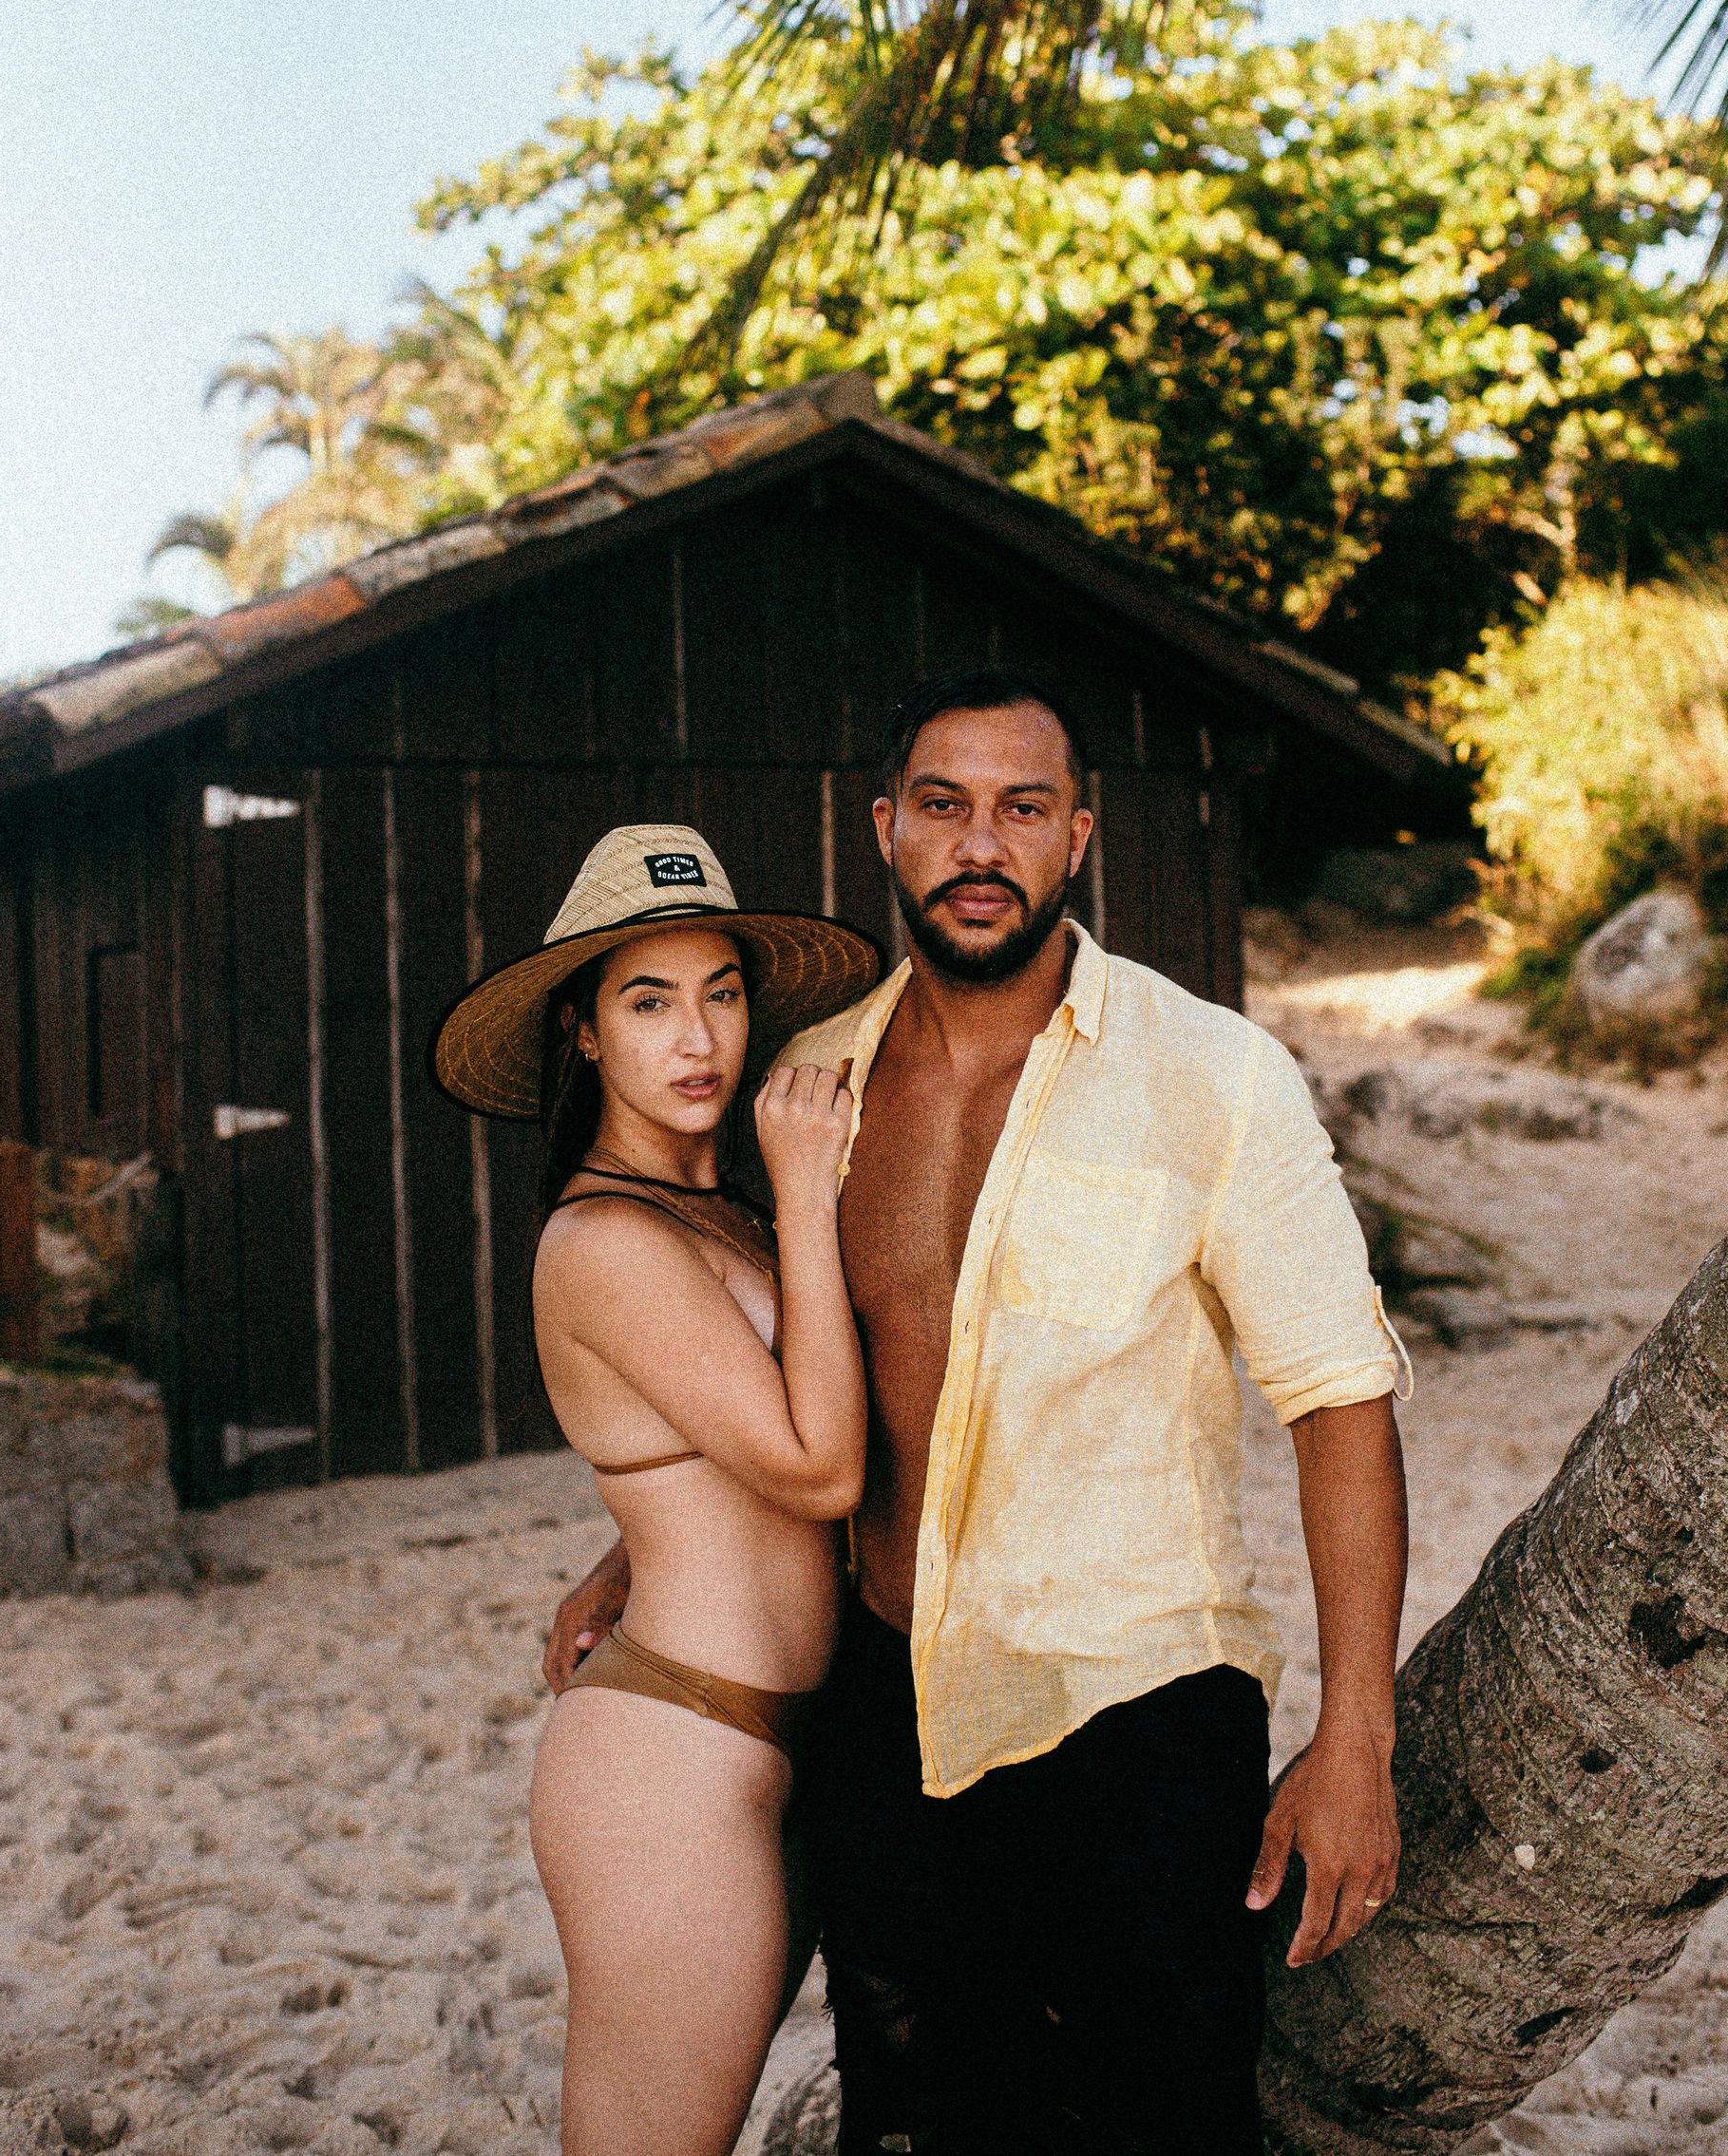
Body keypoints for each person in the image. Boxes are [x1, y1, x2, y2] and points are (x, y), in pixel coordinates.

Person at [544, 679, 1414, 2156]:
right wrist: (646, 1540)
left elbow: (1340, 1400)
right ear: (886, 832)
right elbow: (761, 1358)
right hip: (890, 1707)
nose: (981, 844)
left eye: (1023, 809)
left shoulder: (1211, 1074)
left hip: (1139, 1706)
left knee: (1163, 2123)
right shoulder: (814, 1081)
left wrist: (1358, 1741)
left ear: (1079, 837)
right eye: (943, 805)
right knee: (922, 2117)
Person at [433, 823, 883, 2156]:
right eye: (648, 1002)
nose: (697, 1039)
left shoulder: (719, 1211)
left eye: (722, 994)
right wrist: (811, 1193)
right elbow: (820, 1466)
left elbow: (701, 1446)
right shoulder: (603, 1236)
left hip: (796, 1744)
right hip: (676, 1758)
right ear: (583, 1033)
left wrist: (625, 1549)